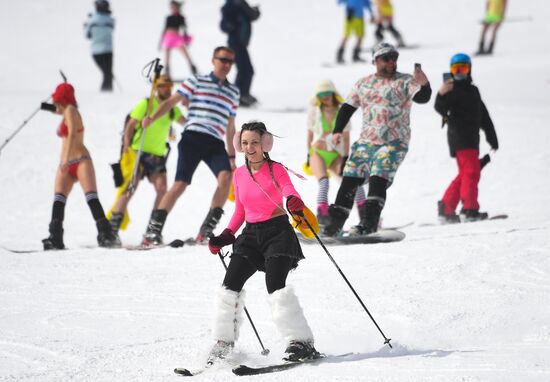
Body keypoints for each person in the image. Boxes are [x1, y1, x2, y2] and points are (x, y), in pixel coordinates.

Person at [206, 121, 320, 363]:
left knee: (275, 284)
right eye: (245, 143)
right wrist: (226, 235)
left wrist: (293, 203)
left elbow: (289, 190)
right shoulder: (238, 174)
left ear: (265, 143)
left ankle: (301, 342)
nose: (250, 147)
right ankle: (224, 342)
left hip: (278, 233)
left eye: (255, 142)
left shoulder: (275, 169)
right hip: (250, 235)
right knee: (230, 285)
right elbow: (240, 211)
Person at [323, 43, 432, 237]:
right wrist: (337, 130)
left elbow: (423, 98)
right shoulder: (363, 83)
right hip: (366, 142)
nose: (392, 62)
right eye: (386, 58)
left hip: (394, 142)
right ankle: (334, 226)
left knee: (378, 178)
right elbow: (348, 107)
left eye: (394, 57)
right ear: (376, 61)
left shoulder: (406, 81)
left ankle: (369, 224)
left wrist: (425, 84)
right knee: (350, 178)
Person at [140, 46, 239, 246]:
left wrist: (231, 156)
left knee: (226, 176)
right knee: (180, 184)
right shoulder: (196, 81)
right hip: (193, 136)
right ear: (213, 60)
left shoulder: (233, 91)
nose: (227, 65)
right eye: (223, 60)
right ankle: (153, 231)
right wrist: (152, 117)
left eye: (230, 61)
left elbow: (230, 126)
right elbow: (170, 103)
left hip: (215, 140)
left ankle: (206, 231)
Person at [42, 83, 120, 250]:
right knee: (58, 200)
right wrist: (44, 105)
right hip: (66, 164)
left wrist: (65, 159)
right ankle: (55, 237)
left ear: (61, 98)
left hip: (80, 161)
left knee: (91, 198)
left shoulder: (70, 110)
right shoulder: (65, 112)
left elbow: (71, 134)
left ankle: (106, 234)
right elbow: (56, 110)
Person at [107, 75, 185, 235]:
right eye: (163, 86)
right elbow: (131, 125)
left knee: (162, 189)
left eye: (169, 86)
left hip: (157, 154)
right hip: (138, 151)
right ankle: (112, 229)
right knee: (130, 188)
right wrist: (127, 147)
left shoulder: (172, 108)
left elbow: (184, 121)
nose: (167, 89)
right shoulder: (147, 104)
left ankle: (153, 228)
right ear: (157, 87)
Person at [435, 53, 499, 223]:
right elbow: (440, 108)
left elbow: (484, 115)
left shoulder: (473, 90)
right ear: (451, 70)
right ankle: (470, 209)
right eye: (456, 69)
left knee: (465, 173)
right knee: (471, 173)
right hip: (459, 136)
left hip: (472, 138)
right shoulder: (450, 89)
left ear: (469, 69)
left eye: (463, 68)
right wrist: (441, 94)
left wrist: (492, 137)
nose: (460, 73)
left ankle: (446, 208)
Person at [306, 79, 366, 226]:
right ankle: (323, 218)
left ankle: (367, 216)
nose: (325, 97)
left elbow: (346, 138)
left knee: (354, 182)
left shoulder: (341, 112)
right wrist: (308, 154)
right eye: (321, 94)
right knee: (324, 183)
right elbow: (309, 135)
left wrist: (345, 157)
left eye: (327, 93)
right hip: (318, 153)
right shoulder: (315, 112)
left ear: (333, 94)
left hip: (335, 155)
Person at [220, 0, 260, 107]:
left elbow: (252, 15)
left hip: (241, 43)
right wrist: (231, 25)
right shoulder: (229, 5)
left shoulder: (241, 3)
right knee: (244, 70)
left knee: (247, 70)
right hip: (234, 43)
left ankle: (242, 95)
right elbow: (223, 25)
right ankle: (239, 96)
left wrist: (256, 12)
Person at [159, 1, 197, 76]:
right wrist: (161, 41)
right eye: (172, 7)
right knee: (167, 54)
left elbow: (184, 29)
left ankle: (193, 68)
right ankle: (167, 71)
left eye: (174, 7)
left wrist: (186, 39)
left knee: (185, 52)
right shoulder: (168, 17)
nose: (173, 8)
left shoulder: (181, 17)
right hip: (168, 36)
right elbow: (165, 29)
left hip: (176, 36)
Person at [84, 0, 115, 91]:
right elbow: (112, 27)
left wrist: (87, 24)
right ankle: (107, 92)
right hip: (108, 51)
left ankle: (106, 93)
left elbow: (87, 35)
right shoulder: (110, 19)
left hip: (96, 52)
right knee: (108, 74)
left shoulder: (92, 20)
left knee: (107, 74)